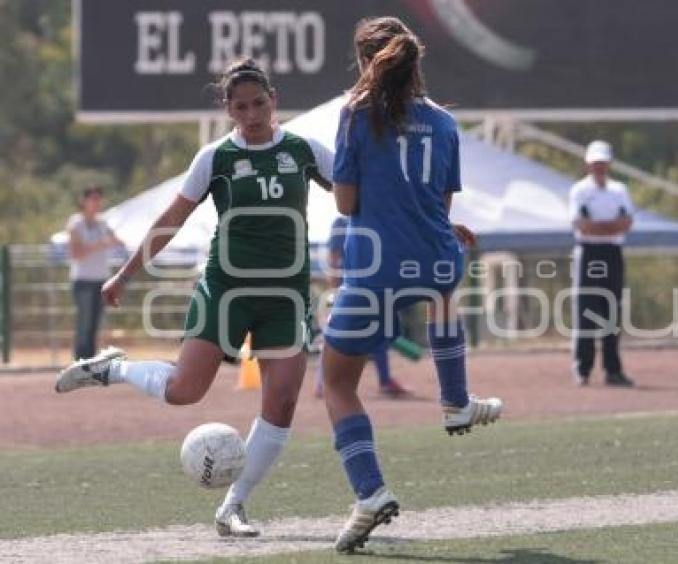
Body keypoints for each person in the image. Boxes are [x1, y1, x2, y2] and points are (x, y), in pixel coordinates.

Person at [54, 59, 333, 538]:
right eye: (240, 106)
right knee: (185, 391)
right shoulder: (216, 158)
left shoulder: (304, 150)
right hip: (227, 289)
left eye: (258, 103)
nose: (251, 114)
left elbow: (361, 193)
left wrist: (429, 222)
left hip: (287, 294)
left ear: (274, 99)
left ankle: (234, 506)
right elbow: (170, 220)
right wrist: (124, 275)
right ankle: (115, 367)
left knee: (283, 400)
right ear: (228, 109)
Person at [322, 17, 503, 552]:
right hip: (433, 260)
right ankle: (454, 400)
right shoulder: (444, 124)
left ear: (364, 63)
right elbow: (436, 206)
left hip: (374, 269)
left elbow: (347, 204)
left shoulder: (354, 115)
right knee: (443, 278)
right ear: (414, 62)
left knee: (337, 384)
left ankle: (370, 492)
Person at [314, 215, 412, 398]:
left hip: (367, 285)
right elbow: (334, 254)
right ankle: (322, 383)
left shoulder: (370, 216)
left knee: (376, 331)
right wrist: (335, 283)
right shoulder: (342, 222)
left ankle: (385, 380)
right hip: (347, 287)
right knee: (333, 335)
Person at [568, 140, 635, 388]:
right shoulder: (580, 191)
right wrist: (610, 226)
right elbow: (581, 225)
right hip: (588, 253)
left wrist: (599, 227)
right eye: (595, 163)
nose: (599, 167)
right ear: (588, 163)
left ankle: (613, 370)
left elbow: (627, 222)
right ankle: (582, 369)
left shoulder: (619, 190)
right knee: (585, 311)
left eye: (603, 162)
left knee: (612, 312)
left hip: (613, 252)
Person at [66, 186, 124, 360]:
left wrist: (103, 243)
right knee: (84, 322)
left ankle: (90, 360)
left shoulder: (104, 223)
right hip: (83, 280)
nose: (97, 203)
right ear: (83, 201)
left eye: (99, 199)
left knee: (96, 323)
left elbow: (118, 241)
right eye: (93, 199)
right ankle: (80, 360)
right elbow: (76, 253)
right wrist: (101, 244)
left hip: (102, 280)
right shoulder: (75, 223)